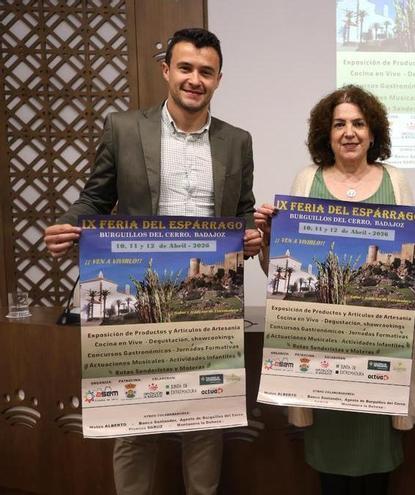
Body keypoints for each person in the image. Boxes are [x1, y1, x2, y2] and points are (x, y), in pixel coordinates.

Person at [42, 28, 262, 495]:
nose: (194, 79)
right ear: (166, 70)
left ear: (219, 79)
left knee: (206, 420)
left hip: (207, 303)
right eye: (185, 68)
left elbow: (243, 209)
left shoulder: (237, 141)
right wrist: (67, 224)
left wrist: (250, 236)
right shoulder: (124, 127)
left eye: (206, 71)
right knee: (134, 421)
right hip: (138, 300)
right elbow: (95, 199)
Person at [254, 85, 415, 495]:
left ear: (373, 133)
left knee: (378, 470)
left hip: (381, 355)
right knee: (330, 473)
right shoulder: (307, 180)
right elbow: (277, 270)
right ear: (327, 133)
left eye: (359, 123)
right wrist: (270, 239)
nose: (349, 132)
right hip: (320, 353)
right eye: (340, 124)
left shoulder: (396, 180)